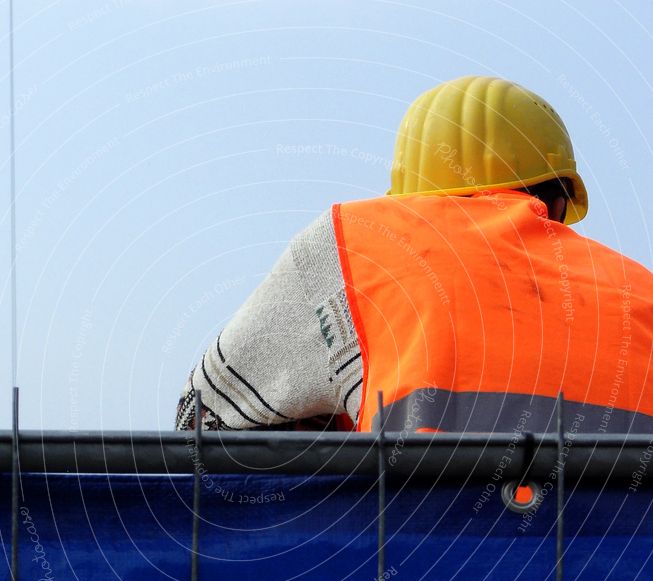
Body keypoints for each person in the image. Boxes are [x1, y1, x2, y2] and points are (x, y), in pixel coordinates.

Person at [175, 75, 653, 434]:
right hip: (620, 562)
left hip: (424, 554)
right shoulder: (641, 288)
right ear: (555, 201)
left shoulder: (357, 240)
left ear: (412, 196)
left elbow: (202, 417)